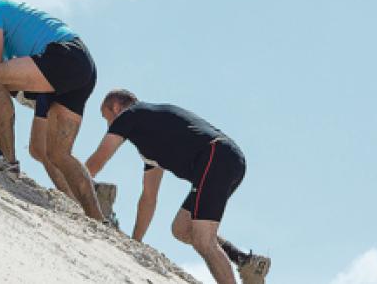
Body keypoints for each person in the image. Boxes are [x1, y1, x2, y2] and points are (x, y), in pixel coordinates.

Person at [0, 0, 106, 222]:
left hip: (64, 55)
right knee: (58, 153)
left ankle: (8, 160)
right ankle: (98, 219)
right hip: (83, 67)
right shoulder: (3, 27)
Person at [86, 89, 270, 284]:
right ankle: (244, 260)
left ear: (115, 108)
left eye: (106, 118)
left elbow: (98, 160)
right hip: (226, 161)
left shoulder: (130, 114)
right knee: (182, 228)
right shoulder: (149, 141)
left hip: (216, 156)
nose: (108, 125)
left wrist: (73, 185)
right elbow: (149, 197)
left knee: (203, 240)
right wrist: (135, 242)